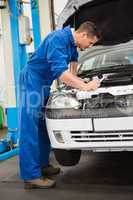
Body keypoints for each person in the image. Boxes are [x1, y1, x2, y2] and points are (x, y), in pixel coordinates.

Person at [18, 21, 101, 189]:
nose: (89, 46)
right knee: (29, 127)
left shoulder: (73, 44)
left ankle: (42, 165)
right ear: (83, 35)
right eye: (91, 43)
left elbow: (72, 69)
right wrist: (84, 87)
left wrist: (80, 81)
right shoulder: (58, 39)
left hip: (44, 83)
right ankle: (31, 176)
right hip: (32, 80)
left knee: (43, 125)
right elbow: (61, 74)